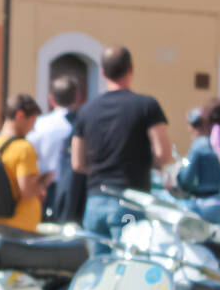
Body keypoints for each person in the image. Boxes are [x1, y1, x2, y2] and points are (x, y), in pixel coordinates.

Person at [71, 46, 172, 245]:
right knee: (128, 267)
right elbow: (163, 153)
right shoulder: (146, 105)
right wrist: (147, 162)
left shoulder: (86, 111)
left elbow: (77, 163)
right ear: (131, 69)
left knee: (98, 269)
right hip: (131, 199)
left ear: (102, 72)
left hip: (95, 200)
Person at [0, 94, 44, 232]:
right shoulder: (23, 148)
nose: (32, 128)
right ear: (20, 116)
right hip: (20, 226)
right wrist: (41, 185)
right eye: (32, 121)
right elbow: (26, 190)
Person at [27, 75, 81, 215]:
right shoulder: (80, 123)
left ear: (51, 99)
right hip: (73, 187)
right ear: (76, 98)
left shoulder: (40, 124)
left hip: (44, 185)